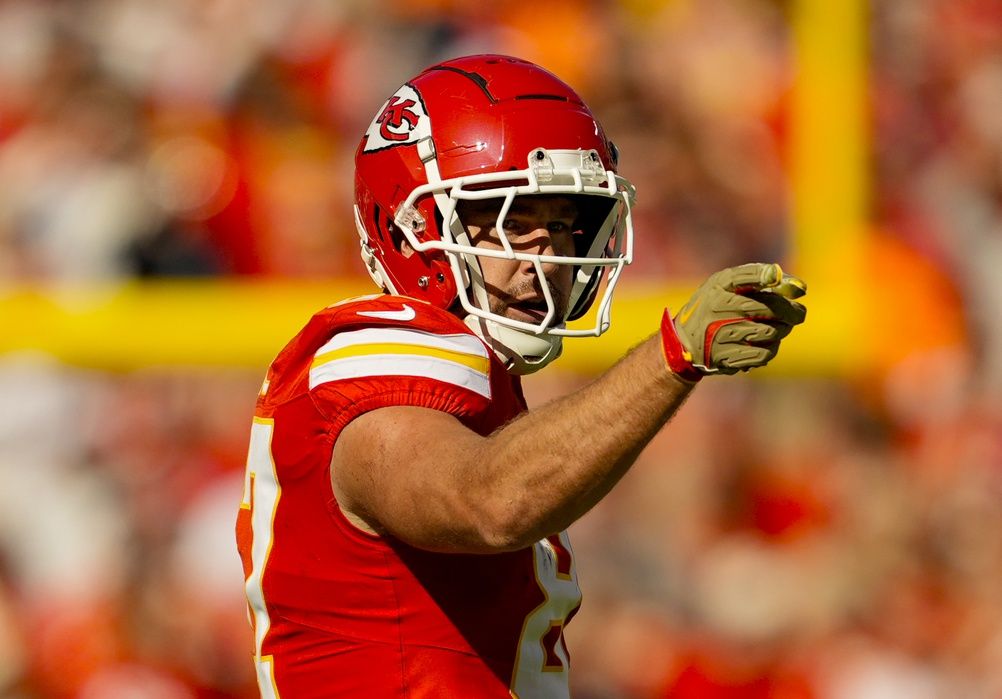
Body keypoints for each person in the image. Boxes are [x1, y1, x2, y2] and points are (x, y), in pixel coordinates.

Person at [235, 54, 806, 699]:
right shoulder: (374, 356)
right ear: (412, 226)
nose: (548, 258)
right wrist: (670, 356)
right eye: (512, 220)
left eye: (564, 224)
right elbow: (488, 501)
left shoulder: (474, 382)